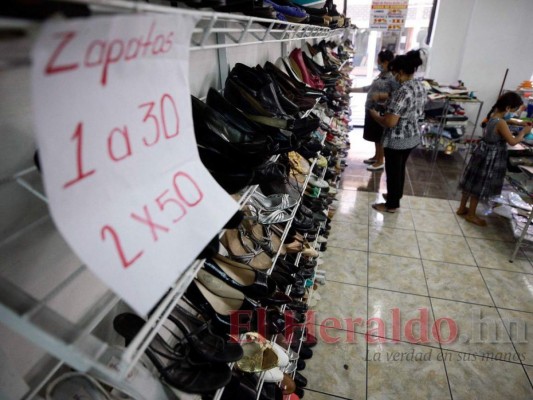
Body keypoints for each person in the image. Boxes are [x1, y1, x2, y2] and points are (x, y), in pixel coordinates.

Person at [457, 91, 532, 226]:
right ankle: (471, 215)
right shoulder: (501, 123)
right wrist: (523, 132)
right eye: (515, 110)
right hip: (491, 157)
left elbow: (505, 121)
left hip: (482, 153)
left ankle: (462, 208)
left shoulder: (493, 116)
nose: (515, 113)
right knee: (480, 185)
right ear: (508, 108)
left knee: (471, 181)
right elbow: (513, 142)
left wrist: (516, 121)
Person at [368, 49, 427, 212]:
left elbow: (390, 122)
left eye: (395, 73)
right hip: (412, 136)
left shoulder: (403, 91)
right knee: (400, 169)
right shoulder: (419, 86)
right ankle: (395, 195)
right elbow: (407, 102)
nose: (394, 76)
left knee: (393, 171)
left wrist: (374, 115)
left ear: (400, 71)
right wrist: (384, 97)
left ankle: (391, 205)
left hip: (397, 139)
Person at [350, 50, 397, 171]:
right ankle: (377, 157)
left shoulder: (392, 78)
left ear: (386, 62)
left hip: (380, 110)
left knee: (380, 136)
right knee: (376, 136)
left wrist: (381, 95)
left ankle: (380, 161)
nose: (378, 64)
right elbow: (369, 88)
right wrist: (350, 90)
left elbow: (395, 95)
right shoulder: (381, 76)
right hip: (372, 109)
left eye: (379, 61)